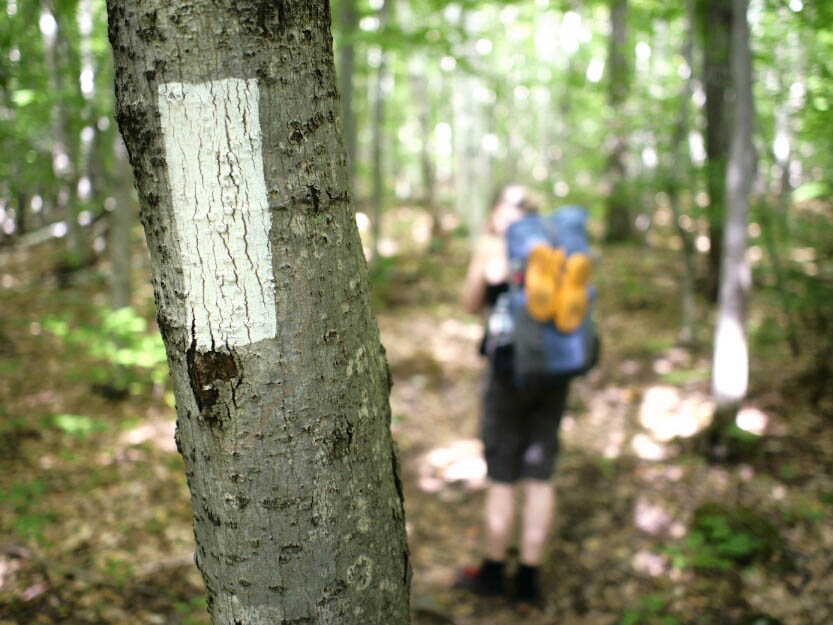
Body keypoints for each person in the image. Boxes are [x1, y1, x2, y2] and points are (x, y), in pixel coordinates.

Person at [457, 184, 571, 606]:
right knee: (540, 476)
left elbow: (470, 303)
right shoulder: (555, 241)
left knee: (502, 476)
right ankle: (528, 578)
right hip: (556, 369)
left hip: (507, 373)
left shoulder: (493, 244)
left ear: (497, 211)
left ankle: (491, 571)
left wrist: (483, 258)